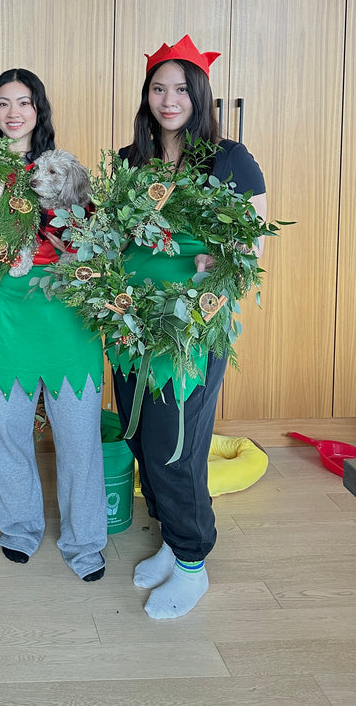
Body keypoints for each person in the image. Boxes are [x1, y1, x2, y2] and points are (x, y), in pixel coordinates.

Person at [112, 34, 267, 619]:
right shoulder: (130, 161)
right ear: (146, 95)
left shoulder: (230, 158)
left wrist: (217, 261)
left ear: (199, 94)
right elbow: (116, 236)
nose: (169, 99)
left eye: (180, 88)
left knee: (174, 445)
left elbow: (251, 243)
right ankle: (173, 544)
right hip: (130, 323)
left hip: (190, 328)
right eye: (159, 88)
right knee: (138, 439)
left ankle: (194, 563)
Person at [0, 69, 107, 581]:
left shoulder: (66, 169)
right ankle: (20, 528)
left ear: (39, 110)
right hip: (8, 316)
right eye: (3, 103)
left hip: (69, 317)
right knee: (9, 431)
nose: (13, 113)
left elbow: (96, 238)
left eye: (24, 102)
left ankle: (85, 543)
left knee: (78, 437)